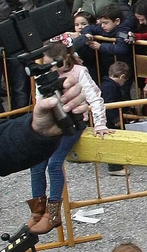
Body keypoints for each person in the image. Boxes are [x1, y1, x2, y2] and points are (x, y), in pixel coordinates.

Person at [26, 42, 108, 234]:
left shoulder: (79, 72)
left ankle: (53, 213)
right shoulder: (42, 75)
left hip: (73, 124)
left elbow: (95, 98)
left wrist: (100, 124)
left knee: (55, 163)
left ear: (66, 59)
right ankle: (37, 211)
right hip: (52, 125)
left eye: (55, 65)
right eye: (48, 65)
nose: (52, 70)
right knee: (36, 163)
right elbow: (40, 100)